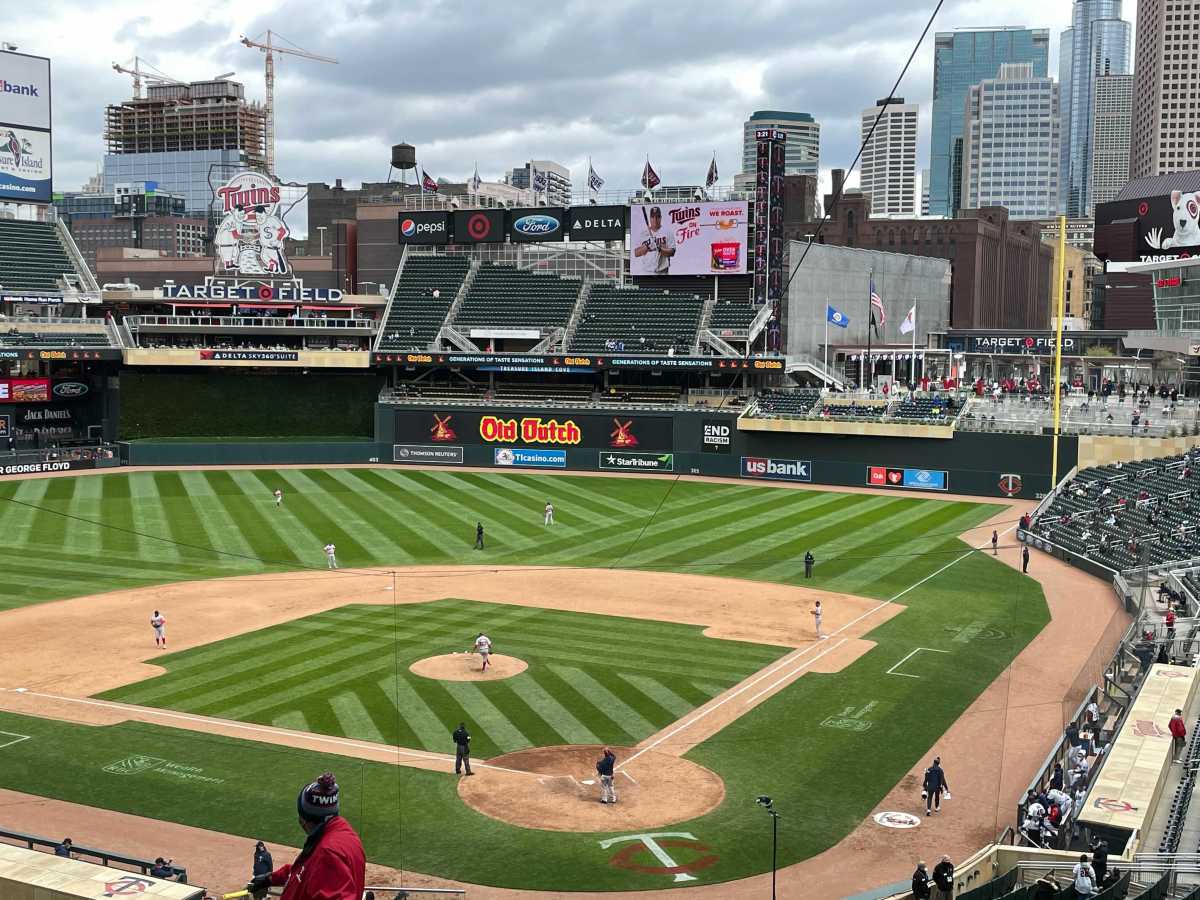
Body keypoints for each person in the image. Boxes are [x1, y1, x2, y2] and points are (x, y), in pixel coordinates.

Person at [247, 772, 365, 900]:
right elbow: (308, 872)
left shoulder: (328, 853)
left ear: (306, 819)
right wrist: (270, 878)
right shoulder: (345, 834)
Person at [632, 207, 676, 276]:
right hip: (646, 272)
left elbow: (672, 252)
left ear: (661, 218)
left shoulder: (667, 232)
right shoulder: (643, 233)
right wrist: (647, 247)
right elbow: (636, 253)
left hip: (663, 272)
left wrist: (659, 248)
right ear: (650, 218)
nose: (655, 219)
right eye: (653, 217)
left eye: (657, 217)